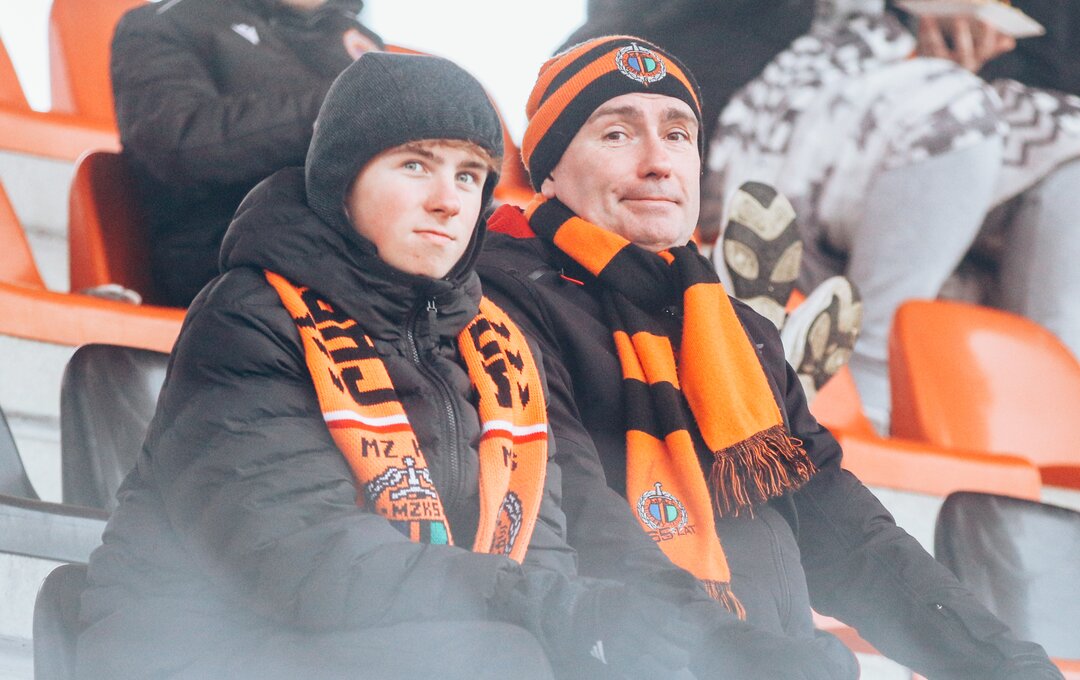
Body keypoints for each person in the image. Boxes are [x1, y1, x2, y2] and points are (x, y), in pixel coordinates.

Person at [78, 51, 860, 680]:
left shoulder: (496, 347)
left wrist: (718, 647)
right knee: (504, 656)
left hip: (402, 648)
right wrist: (560, 612)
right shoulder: (249, 316)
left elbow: (546, 557)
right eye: (415, 166)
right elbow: (302, 558)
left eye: (468, 175)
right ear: (341, 179)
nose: (448, 201)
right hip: (189, 646)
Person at [478, 35, 1062, 679]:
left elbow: (847, 535)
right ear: (549, 171)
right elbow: (577, 515)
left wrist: (1005, 664)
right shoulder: (501, 301)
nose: (658, 162)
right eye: (617, 134)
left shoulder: (735, 327)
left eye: (677, 135)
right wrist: (737, 655)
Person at [562, 0, 1080, 431]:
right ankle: (863, 391)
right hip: (752, 71)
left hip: (937, 93)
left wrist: (982, 35)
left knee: (1069, 165)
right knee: (955, 113)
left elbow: (1056, 70)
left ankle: (1051, 431)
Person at [110, 0, 382, 307]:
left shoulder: (355, 38)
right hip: (229, 262)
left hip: (351, 259)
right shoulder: (166, 21)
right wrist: (337, 105)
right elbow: (178, 147)